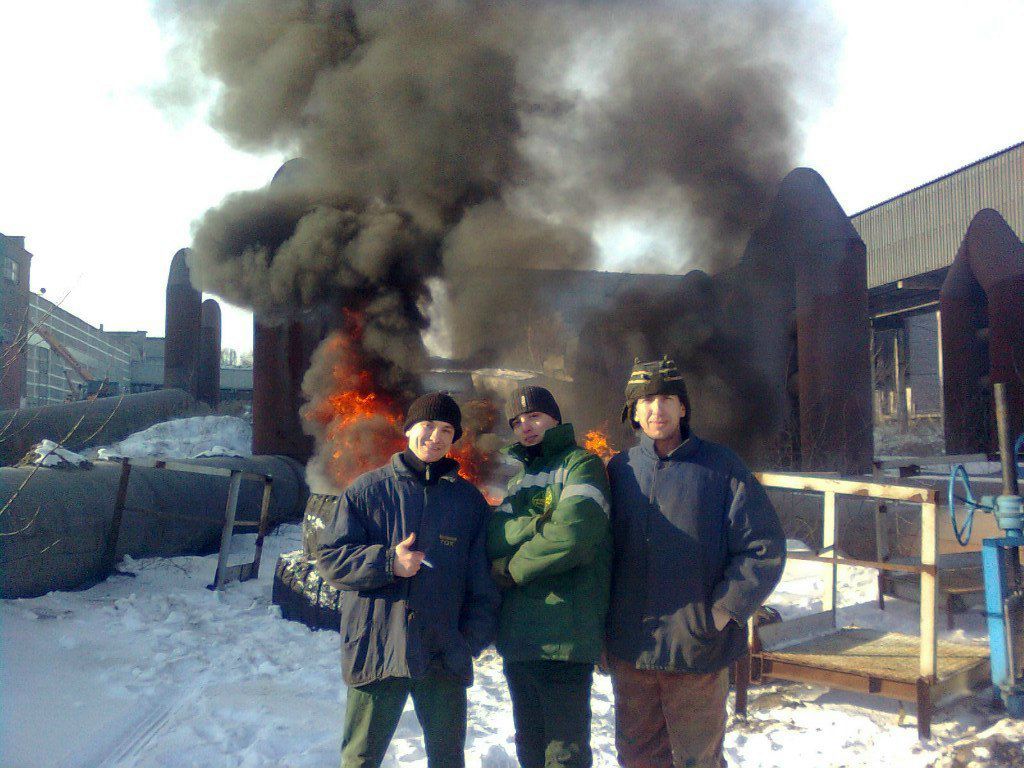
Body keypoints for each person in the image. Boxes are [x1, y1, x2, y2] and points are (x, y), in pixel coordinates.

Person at [605, 358, 786, 768]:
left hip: (697, 652)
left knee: (698, 761)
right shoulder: (620, 471)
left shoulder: (721, 468)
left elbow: (763, 546)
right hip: (632, 652)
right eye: (646, 400)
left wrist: (722, 612)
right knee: (636, 759)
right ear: (633, 412)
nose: (657, 409)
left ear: (683, 407)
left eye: (667, 398)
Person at [315, 392, 500, 768]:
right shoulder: (366, 493)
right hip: (378, 649)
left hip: (443, 655)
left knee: (447, 758)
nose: (435, 436)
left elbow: (484, 585)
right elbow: (330, 558)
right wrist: (387, 563)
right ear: (409, 429)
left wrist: (468, 643)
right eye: (427, 426)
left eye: (446, 429)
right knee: (360, 759)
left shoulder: (469, 503)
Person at [487, 385, 612, 768]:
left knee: (564, 754)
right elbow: (494, 536)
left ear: (555, 419)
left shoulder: (581, 465)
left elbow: (573, 534)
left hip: (564, 636)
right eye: (518, 421)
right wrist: (540, 521)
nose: (526, 426)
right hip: (519, 639)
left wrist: (512, 568)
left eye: (535, 417)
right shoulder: (516, 477)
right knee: (530, 747)